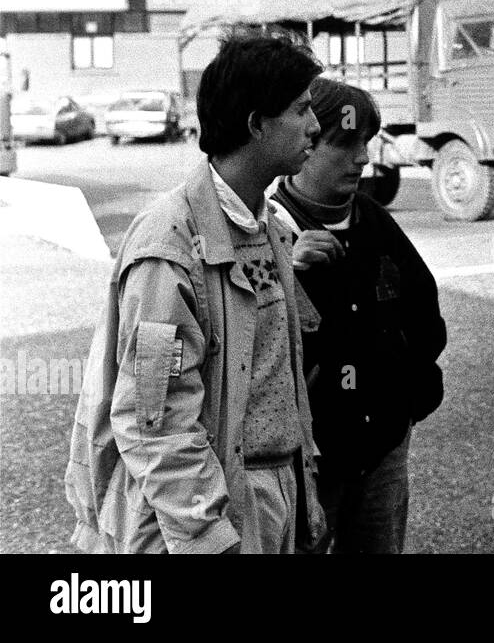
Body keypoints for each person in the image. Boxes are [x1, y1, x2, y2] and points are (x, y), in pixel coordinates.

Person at [65, 32, 328, 553]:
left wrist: (304, 500)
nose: (316, 127)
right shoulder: (169, 248)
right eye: (301, 110)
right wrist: (209, 536)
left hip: (274, 495)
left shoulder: (270, 227)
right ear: (256, 124)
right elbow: (154, 419)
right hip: (209, 510)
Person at [270, 77, 446, 553]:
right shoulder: (268, 229)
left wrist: (407, 400)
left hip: (382, 449)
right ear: (306, 143)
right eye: (346, 143)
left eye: (366, 142)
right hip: (306, 462)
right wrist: (285, 270)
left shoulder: (375, 221)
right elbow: (247, 347)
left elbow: (425, 318)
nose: (363, 158)